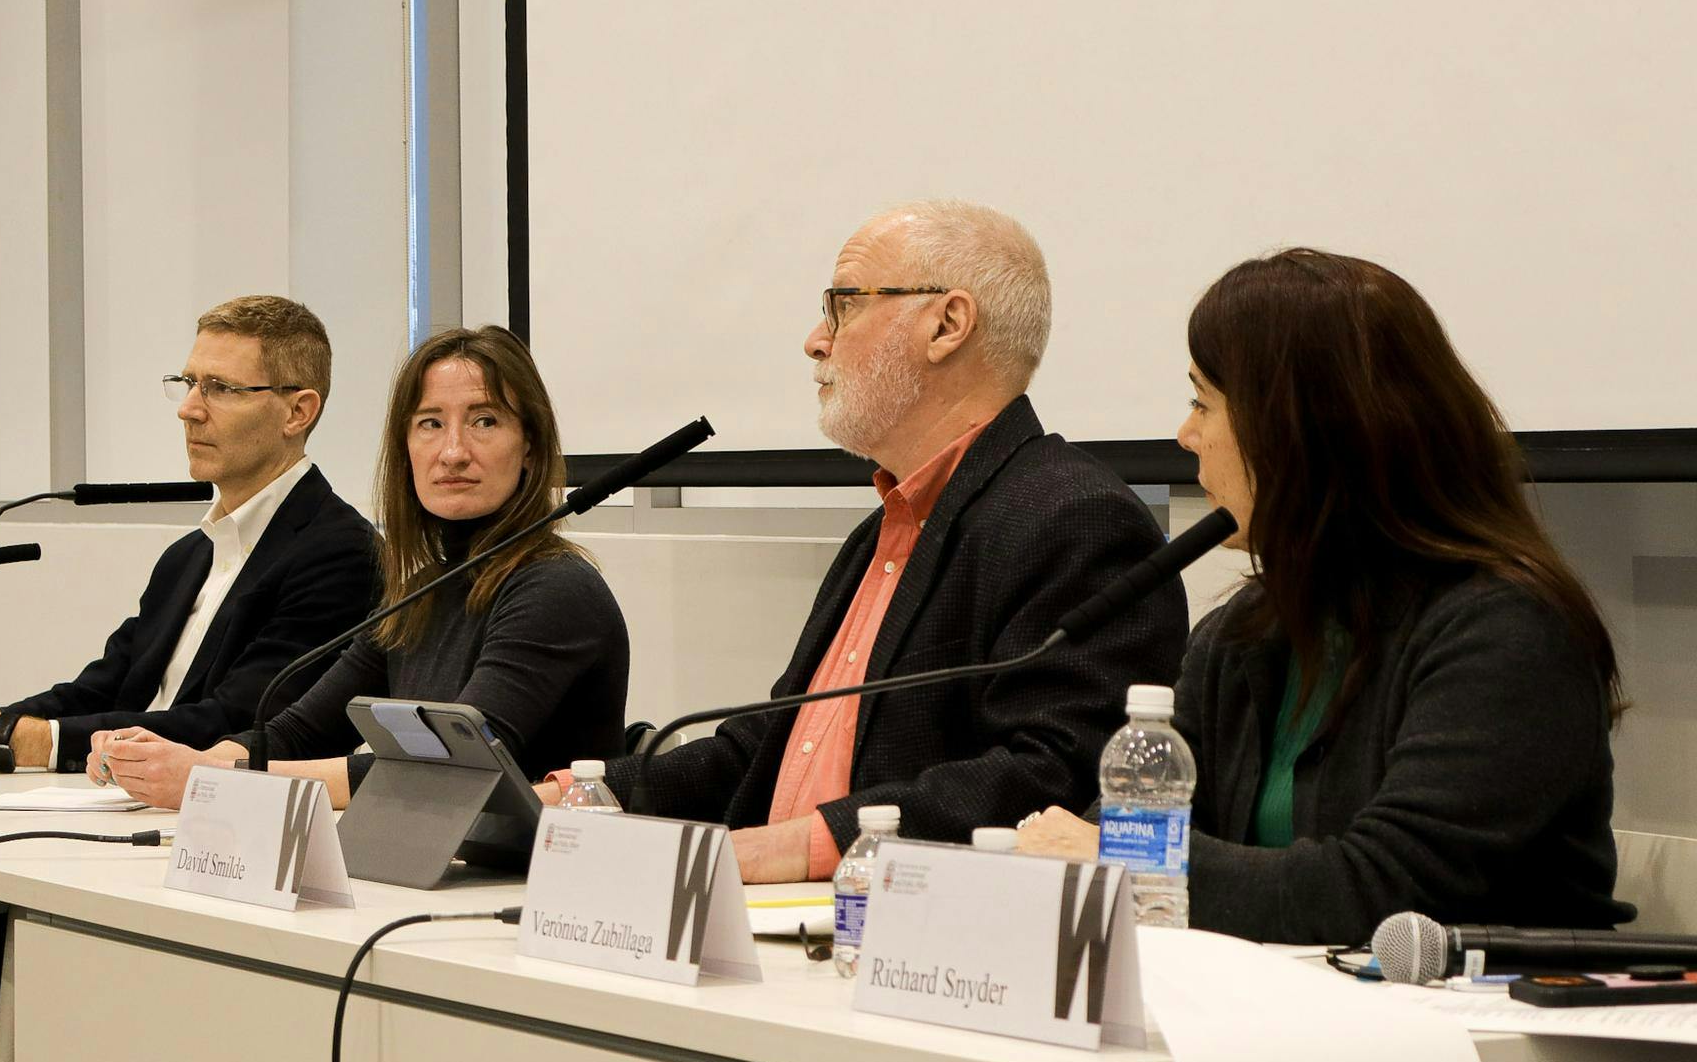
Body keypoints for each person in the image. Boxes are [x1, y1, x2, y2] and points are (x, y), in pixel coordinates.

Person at [555, 201, 1187, 883]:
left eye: (843, 305)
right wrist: (584, 798)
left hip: (915, 943)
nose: (815, 340)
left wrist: (804, 846)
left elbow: (1052, 777)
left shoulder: (1077, 519)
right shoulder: (880, 532)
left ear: (947, 324)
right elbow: (770, 748)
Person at [1018, 250, 1634, 944]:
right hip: (1288, 1028)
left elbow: (1384, 891)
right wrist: (1113, 850)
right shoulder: (1242, 634)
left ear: (1303, 432)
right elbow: (1124, 821)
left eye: (1203, 401)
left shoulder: (1508, 633)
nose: (1186, 434)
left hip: (1484, 1043)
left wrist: (1120, 863)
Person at [95, 325, 629, 810]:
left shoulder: (555, 587)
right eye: (430, 424)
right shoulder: (422, 590)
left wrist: (215, 775)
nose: (453, 451)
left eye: (484, 421)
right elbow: (298, 731)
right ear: (405, 447)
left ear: (530, 446)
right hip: (435, 871)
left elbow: (452, 768)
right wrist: (174, 759)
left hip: (531, 893)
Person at [0, 295, 381, 773]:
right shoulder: (188, 556)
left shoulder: (340, 552)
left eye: (221, 388)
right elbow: (103, 687)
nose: (188, 409)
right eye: (189, 383)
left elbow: (241, 720)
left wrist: (13, 737)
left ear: (298, 412)